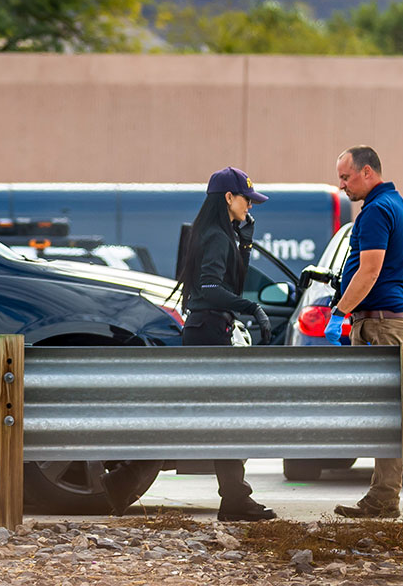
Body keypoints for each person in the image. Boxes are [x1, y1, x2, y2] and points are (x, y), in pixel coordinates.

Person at [102, 166, 276, 522]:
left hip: (209, 329)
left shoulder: (219, 232)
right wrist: (253, 308)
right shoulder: (214, 234)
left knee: (206, 418)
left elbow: (229, 285)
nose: (251, 207)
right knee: (221, 419)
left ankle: (127, 482)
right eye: (247, 200)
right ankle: (233, 499)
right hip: (208, 331)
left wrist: (244, 242)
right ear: (229, 197)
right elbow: (211, 290)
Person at [328, 146, 403, 519]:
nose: (342, 186)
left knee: (384, 410)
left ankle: (384, 498)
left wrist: (340, 312)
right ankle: (383, 495)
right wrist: (395, 282)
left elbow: (369, 271)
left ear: (367, 172)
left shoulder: (373, 212)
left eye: (346, 177)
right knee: (391, 408)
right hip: (397, 318)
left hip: (378, 323)